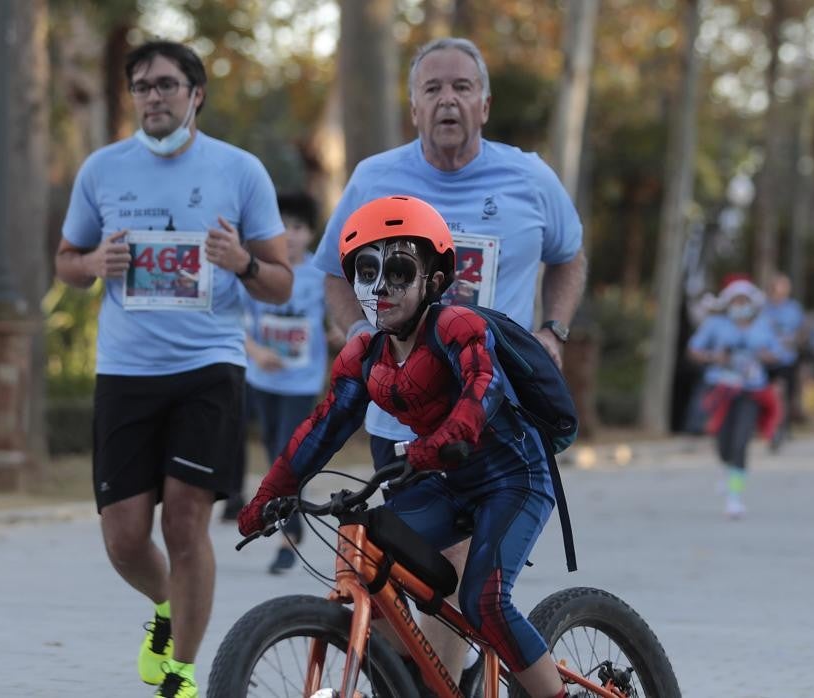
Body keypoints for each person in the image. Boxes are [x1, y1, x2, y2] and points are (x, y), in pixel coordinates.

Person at [310, 36, 587, 686]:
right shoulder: (375, 179)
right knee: (384, 591)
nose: (448, 100)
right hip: (397, 426)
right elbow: (330, 274)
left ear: (484, 104)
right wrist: (356, 333)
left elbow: (569, 253)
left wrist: (554, 330)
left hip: (491, 427)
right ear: (414, 109)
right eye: (433, 89)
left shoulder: (529, 178)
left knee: (461, 583)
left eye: (462, 87)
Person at [239, 195, 581, 698]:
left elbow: (482, 387)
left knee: (485, 598)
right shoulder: (364, 356)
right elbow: (321, 428)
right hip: (446, 479)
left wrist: (444, 441)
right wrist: (268, 497)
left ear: (434, 281)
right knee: (375, 559)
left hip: (515, 479)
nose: (382, 286)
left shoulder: (458, 326)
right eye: (367, 270)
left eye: (399, 270)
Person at [53, 40, 293, 698]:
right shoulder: (102, 171)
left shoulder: (239, 171)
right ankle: (167, 605)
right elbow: (65, 261)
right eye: (141, 86)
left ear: (196, 95)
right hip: (126, 372)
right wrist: (93, 263)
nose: (152, 96)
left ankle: (181, 674)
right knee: (125, 539)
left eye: (165, 84)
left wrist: (240, 260)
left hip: (208, 367)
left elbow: (278, 281)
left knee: (185, 521)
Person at [239, 191, 343, 574]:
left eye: (298, 227)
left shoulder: (319, 274)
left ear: (311, 233)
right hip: (261, 378)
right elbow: (238, 319)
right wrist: (254, 351)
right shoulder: (260, 270)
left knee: (287, 453)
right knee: (272, 453)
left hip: (301, 382)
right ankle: (284, 519)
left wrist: (337, 331)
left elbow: (335, 313)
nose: (291, 234)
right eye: (283, 226)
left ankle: (289, 533)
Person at [687, 276, 784, 518]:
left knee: (741, 442)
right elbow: (694, 350)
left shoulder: (764, 324)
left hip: (751, 391)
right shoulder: (715, 324)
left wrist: (765, 355)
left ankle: (735, 497)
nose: (740, 305)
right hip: (721, 389)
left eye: (744, 301)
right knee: (724, 444)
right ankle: (727, 468)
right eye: (736, 301)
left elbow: (779, 354)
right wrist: (713, 357)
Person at [762, 272, 806, 450]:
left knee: (782, 393)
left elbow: (802, 333)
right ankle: (770, 426)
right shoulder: (763, 308)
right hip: (765, 358)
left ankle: (781, 427)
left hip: (787, 359)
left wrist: (794, 339)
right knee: (769, 395)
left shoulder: (794, 308)